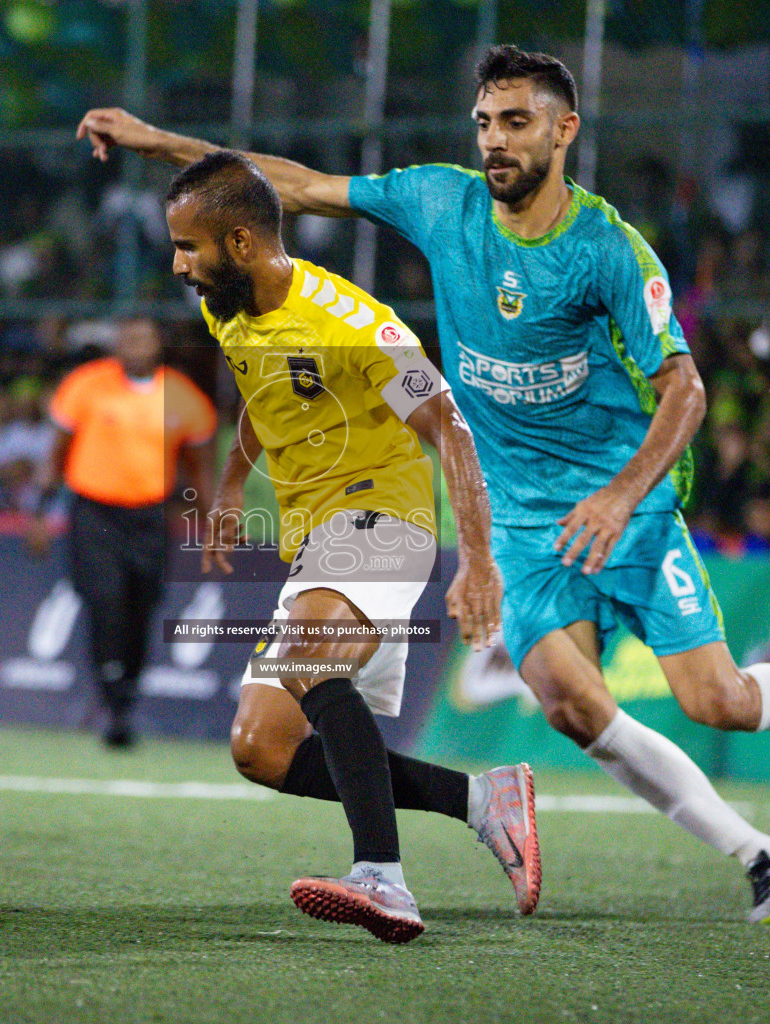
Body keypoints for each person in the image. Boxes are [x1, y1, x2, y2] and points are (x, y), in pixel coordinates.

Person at [78, 43, 770, 925]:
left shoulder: (611, 250)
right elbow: (286, 186)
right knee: (570, 709)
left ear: (565, 131)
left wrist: (614, 496)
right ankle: (761, 857)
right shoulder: (439, 202)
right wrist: (153, 140)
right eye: (485, 122)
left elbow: (686, 387)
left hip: (622, 500)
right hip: (520, 516)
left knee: (715, 700)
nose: (496, 140)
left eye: (517, 122)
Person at [162, 151, 539, 943]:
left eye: (188, 246)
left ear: (238, 242)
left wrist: (477, 559)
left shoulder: (351, 322)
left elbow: (450, 428)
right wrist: (233, 479)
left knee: (305, 656)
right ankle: (482, 801)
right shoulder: (225, 307)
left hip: (383, 516)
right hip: (314, 537)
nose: (178, 264)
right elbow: (267, 392)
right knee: (261, 748)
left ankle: (384, 878)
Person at [37, 318, 216, 748]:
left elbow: (200, 466)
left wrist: (215, 520)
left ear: (159, 346)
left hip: (150, 518)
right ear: (117, 344)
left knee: (142, 607)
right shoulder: (86, 385)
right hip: (94, 513)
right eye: (128, 339)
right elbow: (56, 454)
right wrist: (40, 514)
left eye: (144, 339)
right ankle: (113, 701)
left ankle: (126, 691)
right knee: (105, 600)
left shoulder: (182, 396)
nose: (135, 347)